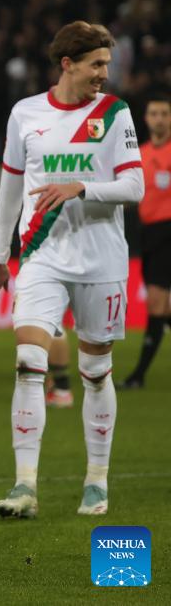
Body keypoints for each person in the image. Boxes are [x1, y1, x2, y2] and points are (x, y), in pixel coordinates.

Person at [0, 21, 143, 519]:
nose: (104, 74)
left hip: (102, 260)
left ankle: (96, 480)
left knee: (95, 372)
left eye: (106, 65)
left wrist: (81, 187)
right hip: (42, 255)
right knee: (28, 360)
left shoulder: (115, 114)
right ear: (68, 64)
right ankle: (24, 486)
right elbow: (11, 186)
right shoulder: (26, 113)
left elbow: (134, 187)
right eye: (96, 64)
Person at [120, 94, 171, 389]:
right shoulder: (139, 154)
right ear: (146, 119)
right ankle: (138, 376)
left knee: (156, 302)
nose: (160, 119)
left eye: (164, 113)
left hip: (168, 231)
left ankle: (138, 375)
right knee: (161, 308)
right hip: (149, 233)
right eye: (155, 113)